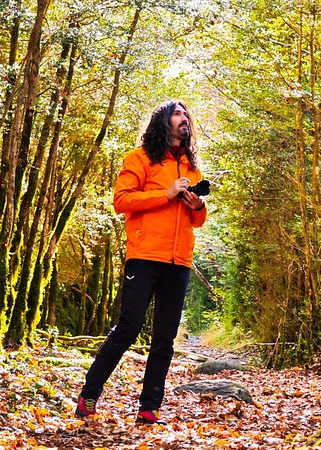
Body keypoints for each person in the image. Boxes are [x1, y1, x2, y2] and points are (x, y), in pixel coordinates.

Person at [76, 100, 207, 425]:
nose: (183, 119)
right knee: (128, 328)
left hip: (179, 262)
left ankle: (149, 407)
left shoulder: (191, 167)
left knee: (164, 339)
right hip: (145, 256)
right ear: (163, 122)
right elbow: (122, 200)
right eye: (177, 115)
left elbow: (198, 221)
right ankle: (88, 394)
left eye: (185, 115)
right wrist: (166, 194)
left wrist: (195, 204)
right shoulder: (140, 158)